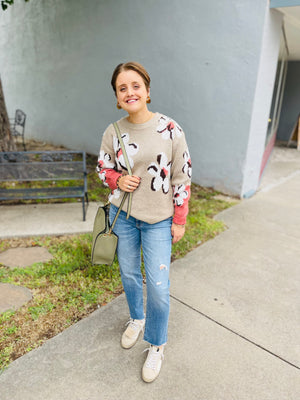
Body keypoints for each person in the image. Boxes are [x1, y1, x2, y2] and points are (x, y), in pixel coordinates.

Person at [96, 61, 192, 383]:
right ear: (117, 97)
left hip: (158, 221)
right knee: (129, 275)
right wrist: (116, 181)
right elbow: (103, 168)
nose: (130, 92)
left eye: (135, 86)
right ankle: (136, 319)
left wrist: (179, 220)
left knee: (160, 289)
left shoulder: (170, 129)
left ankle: (156, 344)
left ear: (147, 91)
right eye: (122, 88)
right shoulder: (114, 131)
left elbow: (182, 177)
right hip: (122, 217)